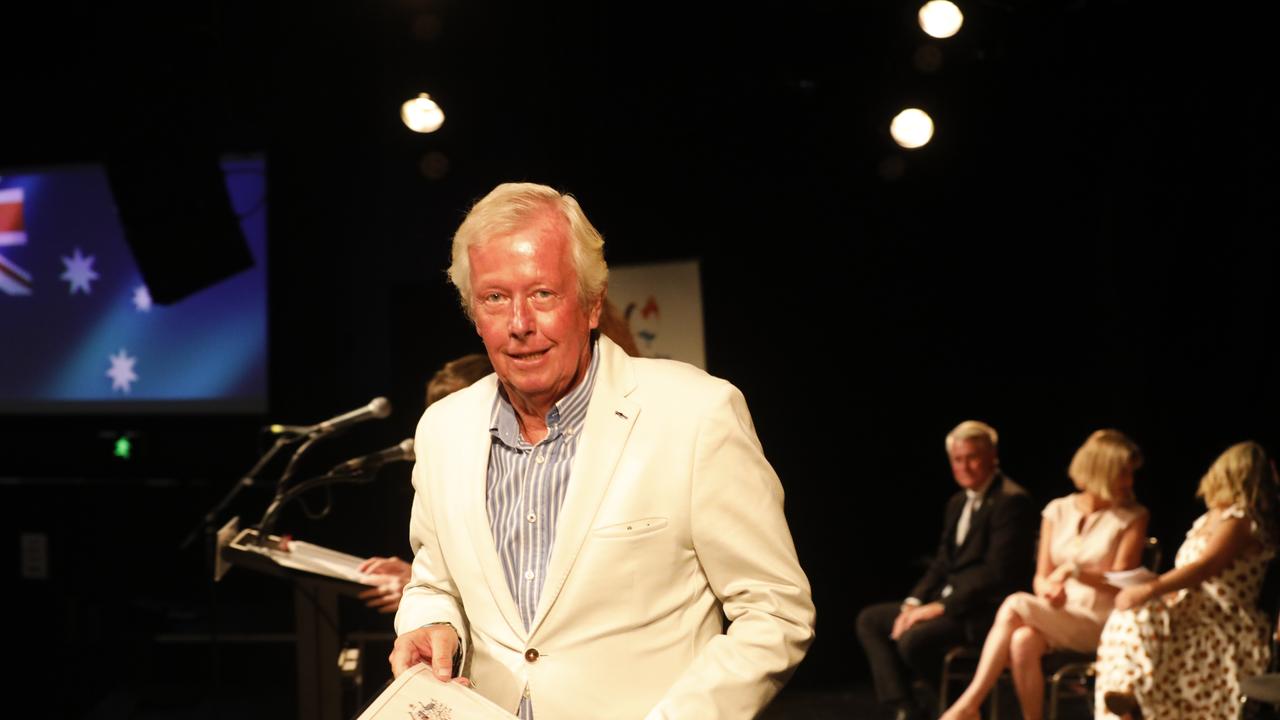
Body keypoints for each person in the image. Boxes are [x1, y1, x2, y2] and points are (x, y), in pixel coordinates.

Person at [387, 182, 815, 718]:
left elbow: (775, 612)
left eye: (542, 293)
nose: (520, 324)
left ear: (591, 305)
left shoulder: (695, 413)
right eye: (496, 298)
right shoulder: (443, 429)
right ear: (474, 312)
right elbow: (434, 580)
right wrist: (433, 623)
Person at [358, 302, 643, 614]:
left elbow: (537, 578)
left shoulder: (572, 454)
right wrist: (422, 588)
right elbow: (475, 571)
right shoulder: (452, 468)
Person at [938, 429, 1149, 720]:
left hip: (1100, 620)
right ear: (1102, 471)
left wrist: (1076, 572)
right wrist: (1048, 589)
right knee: (1022, 639)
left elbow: (1121, 581)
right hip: (1059, 613)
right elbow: (1040, 577)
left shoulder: (1133, 516)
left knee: (1014, 604)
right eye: (1123, 473)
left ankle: (969, 704)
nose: (1129, 482)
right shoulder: (1057, 511)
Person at [856, 420, 1037, 720]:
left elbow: (997, 574)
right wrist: (914, 603)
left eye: (972, 457)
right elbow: (942, 562)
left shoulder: (1011, 501)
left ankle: (961, 705)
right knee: (871, 621)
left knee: (914, 639)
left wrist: (938, 608)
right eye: (957, 459)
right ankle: (906, 708)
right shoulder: (957, 502)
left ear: (993, 456)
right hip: (951, 604)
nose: (964, 466)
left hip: (983, 611)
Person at [1095, 440, 1279, 720]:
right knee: (1130, 616)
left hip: (1220, 618)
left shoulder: (1241, 521)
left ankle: (1135, 698)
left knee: (1139, 610)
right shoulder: (1209, 519)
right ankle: (1129, 693)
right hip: (1189, 609)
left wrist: (1149, 588)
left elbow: (1204, 568)